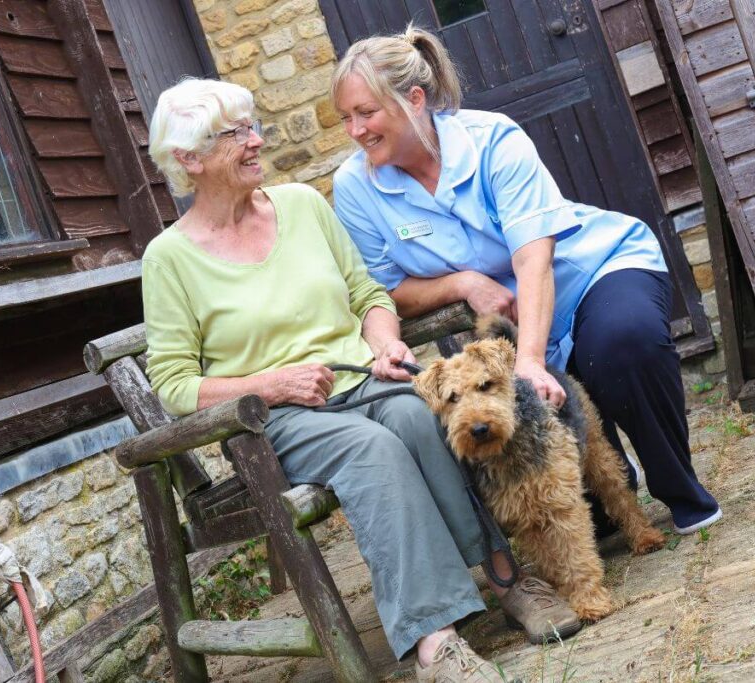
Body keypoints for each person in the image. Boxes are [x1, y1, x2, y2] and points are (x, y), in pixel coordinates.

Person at [142, 77, 578, 682]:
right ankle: (436, 642)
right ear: (187, 159)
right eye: (234, 134)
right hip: (280, 420)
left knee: (418, 421)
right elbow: (172, 384)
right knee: (374, 451)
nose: (255, 141)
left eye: (252, 126)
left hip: (361, 380)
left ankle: (504, 578)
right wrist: (271, 384)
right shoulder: (169, 259)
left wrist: (384, 341)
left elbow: (368, 293)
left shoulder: (300, 204)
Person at [330, 26, 722, 536]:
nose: (355, 131)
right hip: (505, 313)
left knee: (620, 343)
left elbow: (534, 260)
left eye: (367, 113)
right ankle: (610, 487)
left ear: (415, 99)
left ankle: (678, 485)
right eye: (346, 118)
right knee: (595, 522)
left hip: (590, 270)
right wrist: (464, 283)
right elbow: (387, 290)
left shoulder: (492, 139)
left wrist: (531, 363)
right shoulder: (356, 187)